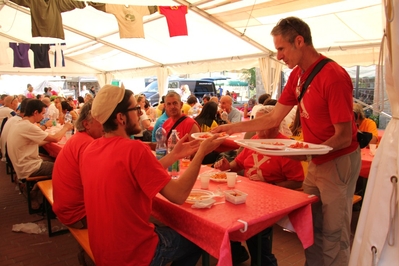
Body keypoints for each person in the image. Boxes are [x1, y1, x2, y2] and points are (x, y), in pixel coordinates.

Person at [212, 16, 360, 266]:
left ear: (299, 41)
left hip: (337, 161)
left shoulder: (332, 75)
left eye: (281, 48)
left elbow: (344, 136)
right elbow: (273, 118)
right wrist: (229, 128)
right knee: (312, 228)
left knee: (334, 232)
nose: (279, 56)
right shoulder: (297, 76)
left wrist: (309, 153)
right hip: (318, 161)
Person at [79, 84, 224, 265]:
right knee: (200, 238)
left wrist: (174, 155)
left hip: (104, 248)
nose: (140, 114)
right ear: (121, 118)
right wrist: (201, 153)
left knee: (167, 228)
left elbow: (142, 171)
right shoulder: (134, 149)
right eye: (136, 109)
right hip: (133, 253)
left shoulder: (91, 148)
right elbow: (178, 195)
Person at [215, 106, 304, 265]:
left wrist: (271, 185)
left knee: (258, 242)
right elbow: (238, 164)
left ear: (275, 124)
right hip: (247, 193)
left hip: (270, 199)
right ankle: (236, 253)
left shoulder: (286, 146)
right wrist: (226, 165)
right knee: (222, 218)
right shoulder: (254, 140)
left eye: (261, 123)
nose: (257, 128)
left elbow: (298, 181)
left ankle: (264, 260)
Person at [52, 100, 103, 229]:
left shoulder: (80, 138)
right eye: (102, 120)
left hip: (66, 209)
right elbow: (97, 187)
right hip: (77, 215)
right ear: (86, 124)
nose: (107, 124)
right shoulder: (88, 144)